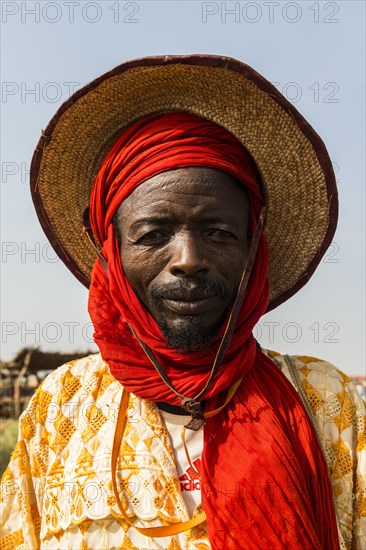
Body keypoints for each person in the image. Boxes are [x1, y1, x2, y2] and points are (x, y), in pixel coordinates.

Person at [1, 54, 365, 550]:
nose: (189, 260)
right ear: (113, 253)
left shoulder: (328, 402)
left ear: (253, 250)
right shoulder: (62, 406)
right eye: (153, 234)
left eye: (218, 232)